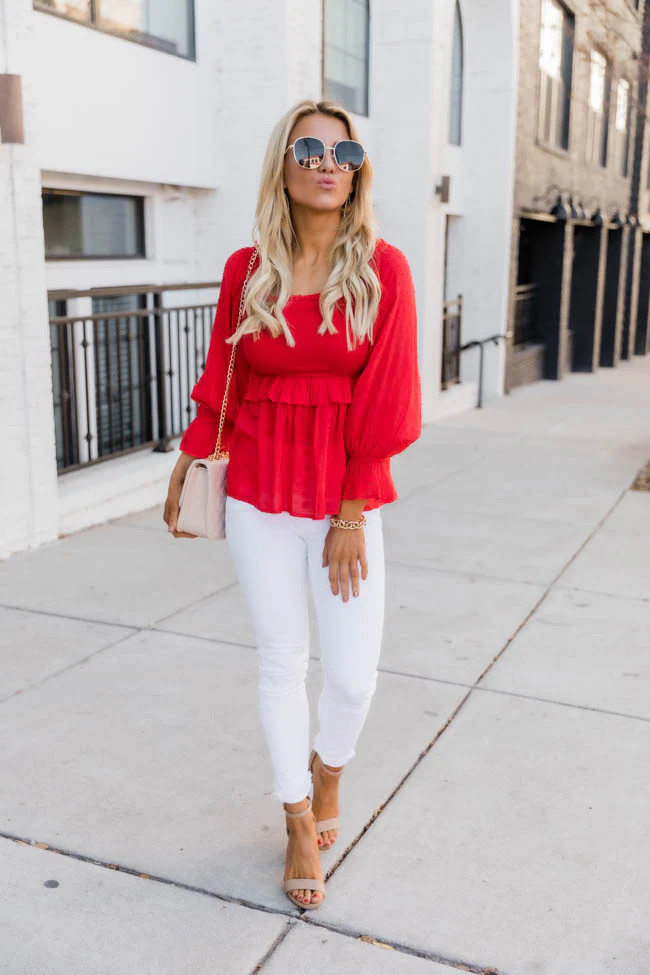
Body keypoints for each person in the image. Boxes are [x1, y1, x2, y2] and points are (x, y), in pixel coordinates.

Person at [163, 98, 422, 910]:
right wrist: (191, 459)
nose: (325, 163)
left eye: (342, 154)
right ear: (284, 163)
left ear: (357, 172)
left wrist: (351, 511)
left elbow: (388, 400)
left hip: (342, 492)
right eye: (308, 149)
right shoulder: (248, 267)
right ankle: (296, 814)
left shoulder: (385, 269)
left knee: (351, 675)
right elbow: (224, 376)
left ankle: (329, 768)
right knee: (281, 661)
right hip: (258, 489)